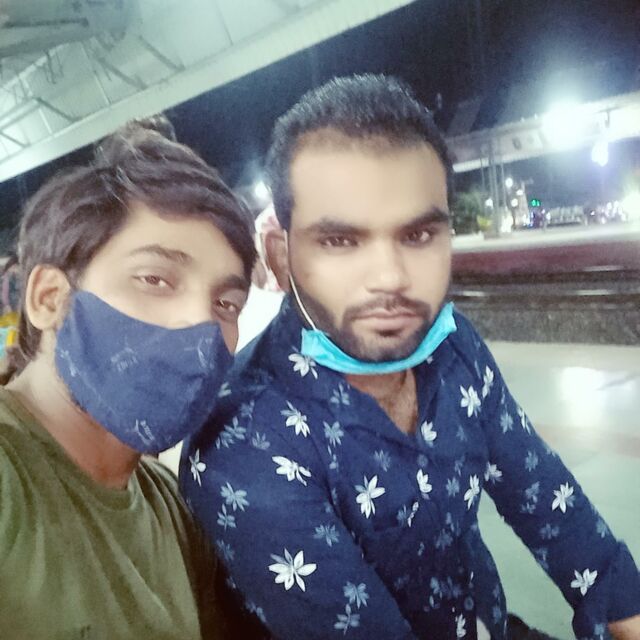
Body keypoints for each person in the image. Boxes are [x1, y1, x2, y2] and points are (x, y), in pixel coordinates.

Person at [180, 75, 640, 640]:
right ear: (280, 256)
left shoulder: (453, 348)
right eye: (341, 241)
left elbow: (548, 500)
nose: (391, 278)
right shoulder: (243, 443)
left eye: (418, 235)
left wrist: (623, 608)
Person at [0, 123, 259, 638]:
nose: (201, 324)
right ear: (50, 298)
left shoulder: (172, 502)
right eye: (155, 278)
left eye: (226, 303)